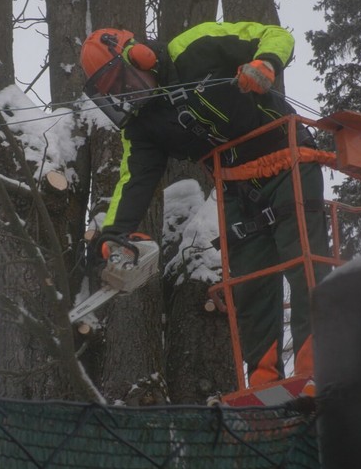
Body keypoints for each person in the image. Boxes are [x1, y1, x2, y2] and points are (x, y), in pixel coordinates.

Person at [79, 22, 332, 386]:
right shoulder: (141, 127)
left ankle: (314, 371)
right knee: (249, 283)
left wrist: (265, 64)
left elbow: (275, 35)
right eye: (113, 91)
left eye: (123, 81)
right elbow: (133, 179)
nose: (124, 94)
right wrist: (115, 234)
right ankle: (264, 383)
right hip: (235, 185)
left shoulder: (194, 47)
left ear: (140, 57)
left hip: (288, 157)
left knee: (302, 261)